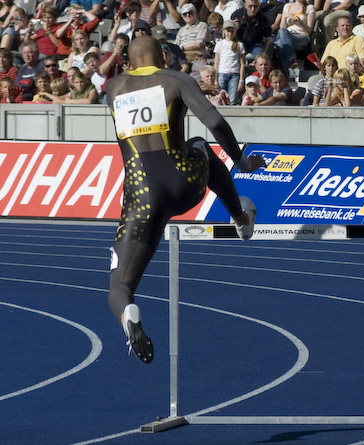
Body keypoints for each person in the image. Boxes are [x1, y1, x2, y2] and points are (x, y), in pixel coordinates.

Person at [104, 35, 264, 363]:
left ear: (130, 61)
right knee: (201, 145)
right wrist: (242, 161)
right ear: (162, 56)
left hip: (141, 198)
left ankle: (129, 314)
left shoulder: (114, 88)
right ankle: (240, 218)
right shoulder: (175, 79)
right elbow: (215, 121)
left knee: (119, 287)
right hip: (182, 181)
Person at [276, 0, 315, 76]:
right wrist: (285, 17)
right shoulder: (287, 6)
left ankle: (285, 73)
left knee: (280, 43)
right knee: (281, 38)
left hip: (302, 35)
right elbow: (282, 27)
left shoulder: (309, 8)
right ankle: (292, 59)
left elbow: (309, 31)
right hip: (288, 34)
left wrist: (300, 22)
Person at [214, 19, 245, 101]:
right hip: (222, 73)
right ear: (223, 31)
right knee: (220, 98)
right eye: (228, 31)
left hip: (234, 75)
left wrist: (241, 80)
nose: (230, 33)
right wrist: (215, 79)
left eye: (232, 31)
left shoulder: (239, 45)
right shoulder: (219, 44)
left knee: (232, 99)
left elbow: (242, 63)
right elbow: (216, 63)